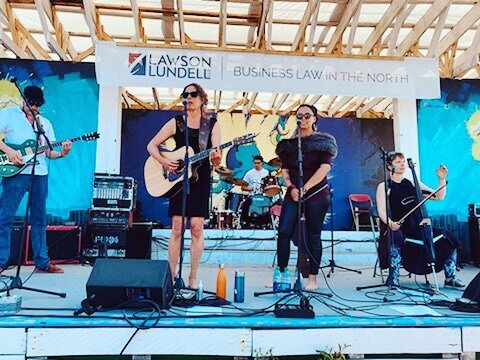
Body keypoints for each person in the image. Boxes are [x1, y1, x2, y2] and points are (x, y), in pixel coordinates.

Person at [147, 83, 221, 288]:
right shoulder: (177, 122)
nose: (188, 97)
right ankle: (171, 276)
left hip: (201, 178)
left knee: (197, 228)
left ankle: (193, 277)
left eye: (193, 94)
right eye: (185, 94)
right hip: (179, 179)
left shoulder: (212, 124)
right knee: (177, 227)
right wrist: (164, 162)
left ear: (202, 99)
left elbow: (216, 158)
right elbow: (151, 145)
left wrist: (215, 158)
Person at [0, 85, 71, 274]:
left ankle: (42, 261)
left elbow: (48, 152)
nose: (34, 108)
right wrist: (9, 150)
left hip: (39, 173)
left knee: (39, 218)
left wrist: (63, 153)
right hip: (16, 172)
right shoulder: (9, 114)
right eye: (31, 104)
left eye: (37, 105)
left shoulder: (44, 124)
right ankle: (1, 262)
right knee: (5, 216)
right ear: (24, 101)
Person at [376, 151, 464, 288]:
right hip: (398, 228)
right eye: (398, 162)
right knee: (394, 236)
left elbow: (438, 196)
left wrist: (441, 179)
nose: (402, 164)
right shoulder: (384, 186)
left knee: (448, 237)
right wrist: (390, 223)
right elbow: (381, 210)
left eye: (403, 161)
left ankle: (450, 277)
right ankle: (393, 277)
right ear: (389, 166)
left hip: (417, 227)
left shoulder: (413, 184)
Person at [275, 104, 338, 290]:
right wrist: (292, 187)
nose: (303, 119)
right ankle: (282, 274)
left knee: (313, 235)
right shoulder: (289, 145)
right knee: (284, 232)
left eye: (307, 115)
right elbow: (285, 169)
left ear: (315, 118)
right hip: (293, 193)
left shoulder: (323, 142)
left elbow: (325, 167)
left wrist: (306, 188)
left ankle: (312, 279)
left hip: (317, 193)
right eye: (299, 115)